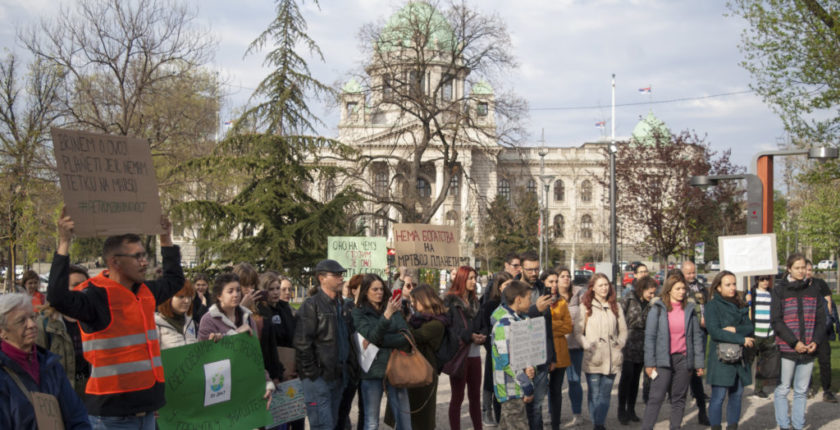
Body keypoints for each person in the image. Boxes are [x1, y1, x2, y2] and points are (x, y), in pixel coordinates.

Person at [47, 211, 184, 429]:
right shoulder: (94, 297)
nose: (144, 262)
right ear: (115, 262)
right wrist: (64, 243)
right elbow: (56, 297)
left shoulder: (145, 291)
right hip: (111, 417)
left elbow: (175, 280)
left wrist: (166, 239)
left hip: (147, 412)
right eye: (137, 256)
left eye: (144, 255)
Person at [0, 293, 91, 429]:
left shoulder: (50, 364)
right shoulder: (3, 374)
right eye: (21, 321)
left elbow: (76, 415)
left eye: (32, 317)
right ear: (2, 332)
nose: (31, 324)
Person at [294, 259, 354, 430]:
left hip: (338, 376)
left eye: (341, 275)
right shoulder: (311, 306)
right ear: (322, 278)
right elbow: (302, 343)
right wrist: (314, 375)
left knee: (332, 424)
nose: (341, 278)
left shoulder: (340, 304)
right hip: (319, 380)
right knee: (323, 426)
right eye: (336, 275)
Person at [197, 273, 274, 405]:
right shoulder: (208, 319)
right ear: (219, 295)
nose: (236, 294)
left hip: (245, 386)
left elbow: (255, 356)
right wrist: (236, 334)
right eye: (230, 291)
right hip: (219, 389)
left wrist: (266, 382)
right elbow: (202, 357)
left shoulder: (248, 317)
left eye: (238, 290)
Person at [640, 275, 705, 430]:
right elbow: (650, 338)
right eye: (678, 289)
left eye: (684, 289)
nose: (682, 292)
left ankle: (675, 426)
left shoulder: (689, 309)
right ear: (669, 290)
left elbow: (696, 337)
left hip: (683, 360)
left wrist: (699, 363)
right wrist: (649, 363)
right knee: (656, 397)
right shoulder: (657, 309)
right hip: (663, 360)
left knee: (679, 398)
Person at [772, 254, 827, 430]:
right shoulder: (780, 290)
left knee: (801, 390)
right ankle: (784, 424)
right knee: (783, 388)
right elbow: (777, 320)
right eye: (797, 267)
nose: (801, 271)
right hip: (788, 347)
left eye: (803, 267)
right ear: (789, 269)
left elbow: (821, 319)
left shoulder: (814, 290)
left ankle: (798, 425)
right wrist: (794, 342)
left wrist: (816, 341)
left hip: (809, 347)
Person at [352, 273, 412, 430]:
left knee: (404, 419)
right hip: (372, 371)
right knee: (371, 422)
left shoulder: (393, 308)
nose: (379, 292)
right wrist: (386, 316)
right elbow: (371, 335)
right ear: (366, 291)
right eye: (374, 289)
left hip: (396, 369)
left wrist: (379, 341)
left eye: (381, 289)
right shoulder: (359, 313)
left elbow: (406, 336)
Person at [574, 273, 627, 430]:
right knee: (594, 393)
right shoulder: (585, 307)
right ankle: (597, 421)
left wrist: (620, 344)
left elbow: (623, 330)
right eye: (600, 285)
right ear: (593, 288)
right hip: (594, 357)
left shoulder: (616, 306)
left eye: (606, 285)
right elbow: (577, 331)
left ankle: (598, 424)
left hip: (612, 357)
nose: (604, 288)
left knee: (605, 394)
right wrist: (587, 345)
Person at [392, 284, 446, 429]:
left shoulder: (437, 323)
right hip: (410, 369)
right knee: (405, 417)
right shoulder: (417, 319)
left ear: (425, 300)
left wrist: (399, 316)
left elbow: (412, 336)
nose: (413, 305)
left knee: (421, 418)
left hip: (424, 372)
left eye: (415, 301)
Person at [705, 270, 754, 430]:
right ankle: (716, 426)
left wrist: (734, 329)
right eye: (728, 285)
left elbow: (749, 327)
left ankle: (733, 426)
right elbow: (715, 331)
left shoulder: (739, 303)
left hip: (740, 359)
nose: (732, 287)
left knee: (737, 395)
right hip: (721, 358)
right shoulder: (712, 306)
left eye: (734, 284)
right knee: (718, 397)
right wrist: (741, 339)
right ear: (718, 287)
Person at [36, 264, 91, 397]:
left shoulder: (95, 318)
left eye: (86, 284)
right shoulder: (46, 322)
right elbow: (36, 363)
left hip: (93, 394)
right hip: (61, 394)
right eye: (76, 284)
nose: (82, 289)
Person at [491, 280, 537, 430]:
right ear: (518, 299)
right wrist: (526, 385)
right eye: (529, 298)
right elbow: (508, 361)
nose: (531, 302)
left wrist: (530, 367)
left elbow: (525, 352)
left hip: (516, 387)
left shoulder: (520, 320)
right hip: (512, 389)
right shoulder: (505, 325)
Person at [443, 266, 485, 430]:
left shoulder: (475, 301)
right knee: (457, 397)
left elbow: (482, 324)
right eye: (470, 278)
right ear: (462, 279)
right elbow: (451, 329)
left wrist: (482, 335)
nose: (474, 282)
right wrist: (470, 336)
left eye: (475, 278)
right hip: (459, 355)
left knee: (475, 397)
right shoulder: (450, 302)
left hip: (475, 354)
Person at [518, 251, 553, 430]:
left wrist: (551, 355)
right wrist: (535, 309)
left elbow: (548, 324)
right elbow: (511, 319)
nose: (533, 273)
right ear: (522, 268)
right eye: (530, 269)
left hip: (540, 354)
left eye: (536, 269)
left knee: (538, 405)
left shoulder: (541, 287)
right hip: (520, 354)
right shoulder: (513, 288)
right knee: (522, 405)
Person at [617, 276, 657, 425]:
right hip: (628, 342)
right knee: (626, 377)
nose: (652, 296)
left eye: (653, 293)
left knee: (635, 379)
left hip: (643, 344)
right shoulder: (629, 299)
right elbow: (619, 319)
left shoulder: (651, 304)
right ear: (642, 289)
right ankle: (621, 409)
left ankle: (631, 409)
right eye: (650, 292)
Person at [477, 271, 513, 427]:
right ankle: (487, 411)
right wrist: (492, 347)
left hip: (511, 352)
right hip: (494, 350)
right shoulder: (490, 305)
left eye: (512, 285)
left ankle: (502, 415)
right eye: (506, 285)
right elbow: (484, 328)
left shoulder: (514, 304)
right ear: (498, 288)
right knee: (491, 382)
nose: (509, 289)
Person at [804, 260, 838, 402]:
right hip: (805, 329)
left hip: (821, 327)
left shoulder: (820, 284)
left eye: (810, 269)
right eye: (805, 269)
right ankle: (808, 387)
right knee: (806, 360)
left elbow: (828, 302)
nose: (807, 272)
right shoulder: (798, 287)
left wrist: (825, 322)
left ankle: (827, 390)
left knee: (825, 360)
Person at [681, 260, 709, 425]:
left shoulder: (701, 287)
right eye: (688, 273)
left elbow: (707, 304)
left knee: (697, 373)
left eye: (693, 272)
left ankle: (702, 411)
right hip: (684, 335)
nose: (691, 276)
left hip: (700, 333)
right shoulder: (679, 288)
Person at [544, 269, 573, 430]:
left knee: (556, 390)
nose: (554, 285)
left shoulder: (562, 302)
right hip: (543, 351)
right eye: (551, 282)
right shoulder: (539, 302)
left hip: (560, 351)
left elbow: (568, 326)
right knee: (539, 390)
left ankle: (556, 423)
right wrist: (557, 324)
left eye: (556, 281)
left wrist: (549, 325)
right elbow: (537, 325)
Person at [557, 267, 586, 427]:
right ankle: (553, 414)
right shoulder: (552, 296)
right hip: (558, 346)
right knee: (556, 384)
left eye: (568, 276)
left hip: (575, 346)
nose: (566, 279)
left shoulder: (579, 294)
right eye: (562, 276)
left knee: (574, 381)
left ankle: (577, 413)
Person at [337, 274, 364, 430]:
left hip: (367, 366)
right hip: (351, 365)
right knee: (343, 409)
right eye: (363, 287)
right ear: (353, 290)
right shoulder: (346, 308)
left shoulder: (373, 309)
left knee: (366, 410)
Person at [744, 274, 778, 398]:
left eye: (767, 279)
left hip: (768, 332)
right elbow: (743, 309)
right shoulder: (752, 293)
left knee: (763, 363)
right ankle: (741, 384)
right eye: (762, 279)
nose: (765, 282)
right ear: (757, 280)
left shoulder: (772, 294)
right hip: (755, 332)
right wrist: (746, 300)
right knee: (748, 360)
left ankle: (759, 388)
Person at [155, 281, 197, 349]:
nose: (187, 301)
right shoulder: (156, 325)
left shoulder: (190, 322)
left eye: (189, 297)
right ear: (168, 299)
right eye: (181, 297)